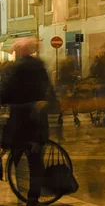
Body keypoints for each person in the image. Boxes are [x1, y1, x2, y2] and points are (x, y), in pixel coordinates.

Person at [0, 38, 52, 206]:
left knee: (17, 159)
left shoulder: (12, 69)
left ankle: (22, 192)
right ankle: (32, 198)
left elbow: (4, 93)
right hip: (37, 119)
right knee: (36, 162)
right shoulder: (39, 66)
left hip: (18, 121)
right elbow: (48, 90)